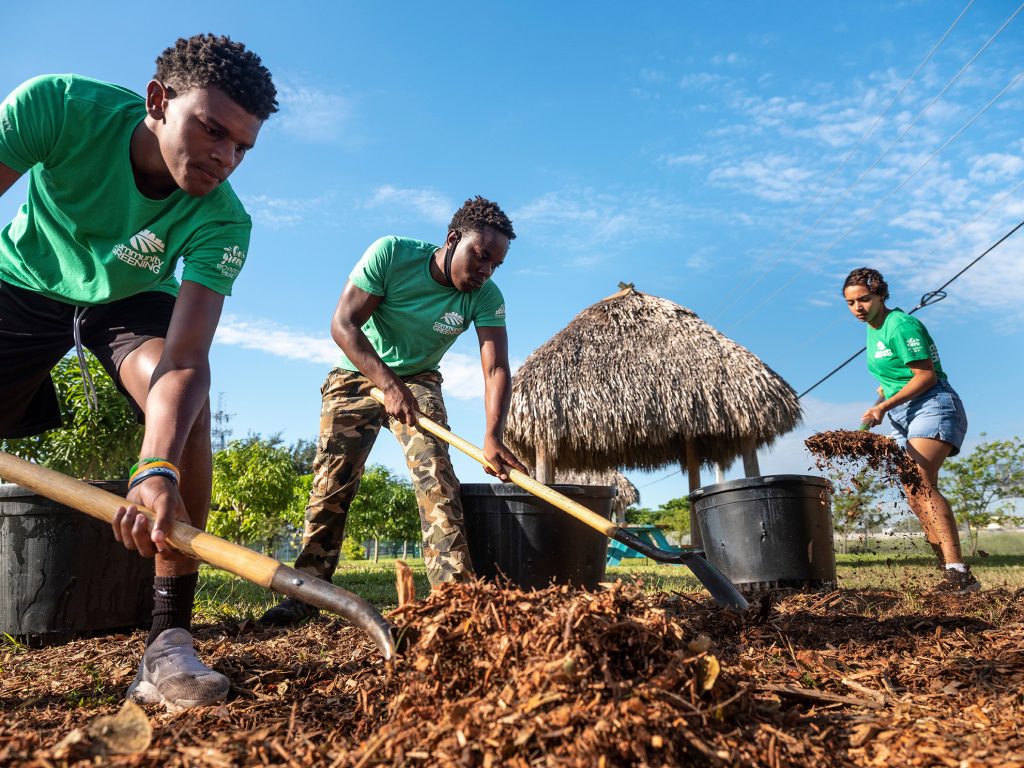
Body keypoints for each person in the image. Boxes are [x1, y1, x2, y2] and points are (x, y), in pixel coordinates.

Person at [0, 34, 278, 709]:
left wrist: (156, 469)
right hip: (24, 282)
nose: (225, 157)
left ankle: (168, 642)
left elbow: (184, 358)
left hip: (129, 298)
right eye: (212, 130)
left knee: (185, 411)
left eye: (242, 147)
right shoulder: (59, 108)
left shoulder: (223, 219)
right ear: (157, 101)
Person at [260, 196, 527, 625]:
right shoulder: (392, 254)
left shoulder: (485, 295)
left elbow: (495, 367)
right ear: (452, 239)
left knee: (437, 477)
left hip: (419, 379)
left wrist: (492, 435)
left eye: (495, 265)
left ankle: (457, 602)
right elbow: (342, 324)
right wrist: (386, 383)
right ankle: (304, 595)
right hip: (358, 372)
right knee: (332, 484)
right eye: (481, 256)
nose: (486, 271)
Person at [842, 267, 978, 593]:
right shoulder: (873, 329)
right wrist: (883, 392)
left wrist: (882, 407)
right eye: (850, 302)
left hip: (933, 404)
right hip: (903, 413)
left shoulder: (901, 326)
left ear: (880, 296)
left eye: (864, 299)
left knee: (922, 480)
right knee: (913, 492)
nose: (858, 307)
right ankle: (951, 574)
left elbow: (925, 376)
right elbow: (896, 373)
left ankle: (959, 572)